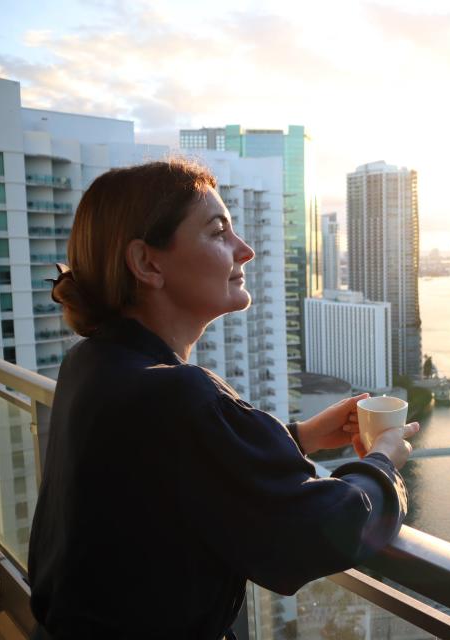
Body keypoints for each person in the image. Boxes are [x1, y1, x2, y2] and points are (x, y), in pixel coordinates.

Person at [27, 159, 419, 639]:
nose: (246, 250)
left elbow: (173, 474)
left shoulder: (92, 363)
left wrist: (298, 438)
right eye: (218, 233)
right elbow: (311, 533)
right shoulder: (176, 393)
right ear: (148, 263)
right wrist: (383, 463)